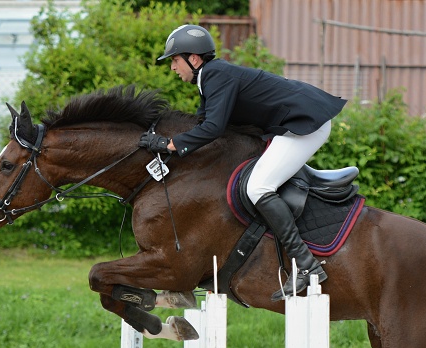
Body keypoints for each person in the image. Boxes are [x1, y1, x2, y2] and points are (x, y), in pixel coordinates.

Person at [139, 24, 346, 301]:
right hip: (291, 123)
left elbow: (212, 129)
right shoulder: (210, 79)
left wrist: (169, 144)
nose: (173, 68)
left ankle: (307, 265)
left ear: (194, 59)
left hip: (305, 123)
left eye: (175, 60)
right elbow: (206, 125)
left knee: (258, 187)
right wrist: (168, 143)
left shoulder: (215, 75)